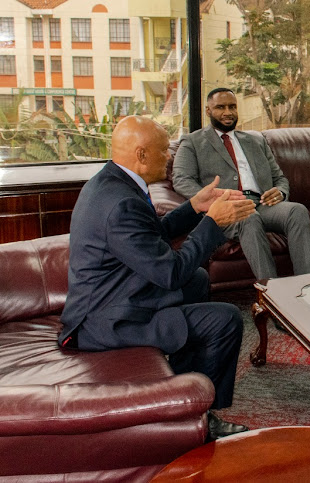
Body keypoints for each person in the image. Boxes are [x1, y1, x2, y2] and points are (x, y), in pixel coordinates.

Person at [59, 116, 256, 441]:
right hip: (107, 321)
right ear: (141, 154)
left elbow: (151, 236)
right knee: (226, 319)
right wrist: (212, 223)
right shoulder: (121, 203)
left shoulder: (112, 183)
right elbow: (169, 272)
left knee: (198, 280)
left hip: (114, 294)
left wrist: (194, 207)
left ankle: (180, 374)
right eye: (165, 151)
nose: (170, 157)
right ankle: (198, 418)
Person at [172, 87, 310, 280]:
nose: (228, 112)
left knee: (297, 211)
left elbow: (279, 178)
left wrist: (280, 192)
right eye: (220, 107)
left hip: (262, 203)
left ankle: (307, 283)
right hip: (228, 209)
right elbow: (181, 179)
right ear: (208, 111)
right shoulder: (192, 142)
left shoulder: (256, 141)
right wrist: (211, 201)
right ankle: (270, 292)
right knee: (248, 217)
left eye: (232, 107)